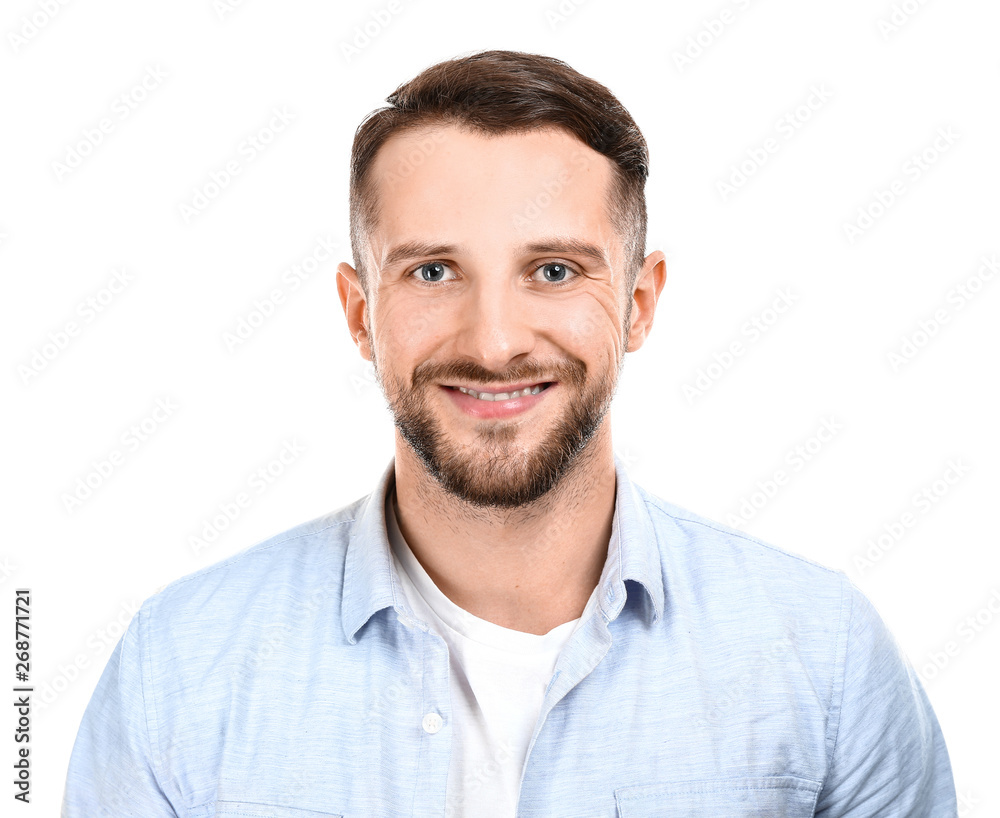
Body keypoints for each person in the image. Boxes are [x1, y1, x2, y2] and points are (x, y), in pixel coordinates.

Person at [63, 50, 956, 817]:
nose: (493, 342)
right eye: (435, 270)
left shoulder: (825, 657)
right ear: (359, 310)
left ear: (639, 304)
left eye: (555, 270)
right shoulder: (179, 666)